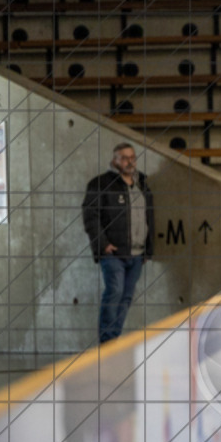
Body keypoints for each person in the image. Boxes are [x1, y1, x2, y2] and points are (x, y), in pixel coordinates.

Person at [81, 143, 155, 343]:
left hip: (137, 254)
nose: (129, 162)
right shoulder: (99, 184)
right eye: (124, 158)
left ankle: (113, 340)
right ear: (114, 161)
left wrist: (148, 250)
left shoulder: (142, 184)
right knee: (114, 293)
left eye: (132, 157)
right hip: (113, 253)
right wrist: (103, 244)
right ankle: (107, 343)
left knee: (126, 298)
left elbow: (149, 217)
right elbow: (90, 217)